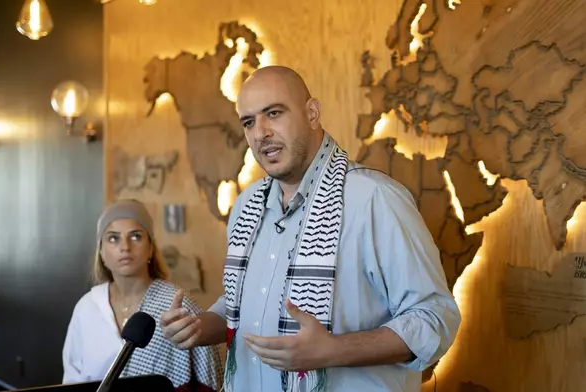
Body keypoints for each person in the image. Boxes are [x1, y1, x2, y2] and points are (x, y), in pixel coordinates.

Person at [160, 66, 461, 392]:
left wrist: (333, 350)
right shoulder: (246, 206)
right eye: (249, 122)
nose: (260, 133)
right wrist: (203, 327)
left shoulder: (374, 200)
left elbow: (435, 319)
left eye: (273, 113)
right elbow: (245, 306)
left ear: (312, 113)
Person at [62, 199, 223, 391]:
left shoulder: (177, 307)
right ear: (101, 252)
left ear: (151, 248)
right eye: (113, 238)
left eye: (136, 236)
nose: (125, 247)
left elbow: (207, 380)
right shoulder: (86, 308)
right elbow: (71, 377)